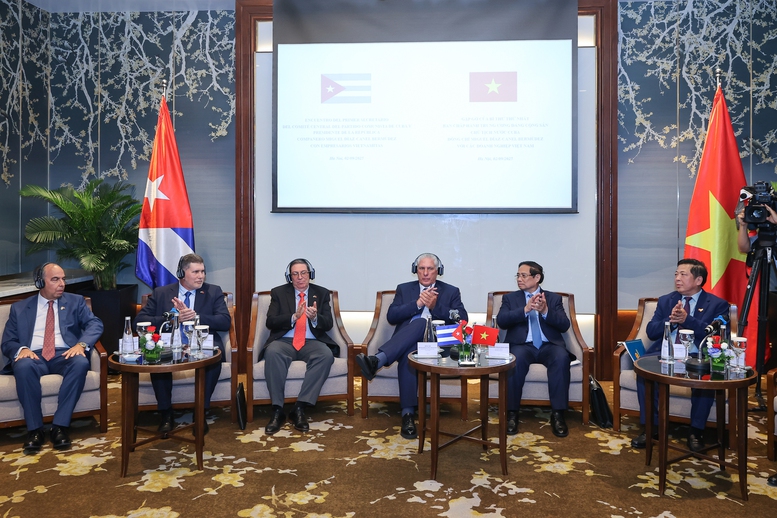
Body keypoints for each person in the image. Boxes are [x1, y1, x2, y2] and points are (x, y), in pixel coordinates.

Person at [356, 253, 467, 439]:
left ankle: (378, 360)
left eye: (430, 269)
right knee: (409, 355)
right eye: (421, 268)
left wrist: (435, 307)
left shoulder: (451, 291)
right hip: (408, 342)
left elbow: (462, 318)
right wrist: (417, 304)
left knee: (422, 323)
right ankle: (408, 415)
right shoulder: (404, 289)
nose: (425, 273)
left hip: (438, 344)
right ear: (416, 270)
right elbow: (392, 316)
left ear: (438, 271)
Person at [1, 263, 103, 454]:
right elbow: (8, 342)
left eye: (63, 279)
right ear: (40, 282)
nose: (62, 284)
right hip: (34, 355)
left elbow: (95, 324)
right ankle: (35, 430)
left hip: (64, 353)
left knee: (80, 362)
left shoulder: (76, 301)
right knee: (22, 366)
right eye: (55, 279)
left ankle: (60, 427)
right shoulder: (20, 308)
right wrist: (22, 349)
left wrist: (81, 344)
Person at [631, 258, 730, 452]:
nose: (677, 278)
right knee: (644, 372)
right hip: (665, 352)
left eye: (683, 274)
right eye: (676, 274)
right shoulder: (666, 300)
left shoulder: (717, 304)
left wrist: (687, 319)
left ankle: (696, 432)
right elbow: (651, 332)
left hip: (696, 354)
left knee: (706, 376)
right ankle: (652, 428)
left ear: (698, 280)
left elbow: (714, 335)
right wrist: (671, 321)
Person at [136, 253, 230, 436]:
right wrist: (173, 318)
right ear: (181, 273)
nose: (201, 276)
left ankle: (200, 413)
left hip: (201, 344)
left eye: (203, 271)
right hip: (170, 344)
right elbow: (139, 321)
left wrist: (195, 316)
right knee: (159, 360)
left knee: (214, 359)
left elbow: (225, 321)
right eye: (196, 272)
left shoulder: (213, 291)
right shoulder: (161, 293)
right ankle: (166, 414)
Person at [262, 258, 337, 435]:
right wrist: (293, 317)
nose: (300, 277)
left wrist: (315, 318)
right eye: (295, 274)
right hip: (285, 341)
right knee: (272, 352)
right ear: (290, 277)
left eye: (303, 273)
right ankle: (277, 410)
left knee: (326, 355)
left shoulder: (322, 293)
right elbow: (270, 321)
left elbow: (328, 324)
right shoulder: (279, 293)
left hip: (311, 341)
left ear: (310, 274)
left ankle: (300, 407)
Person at [496, 261, 571, 437]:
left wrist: (545, 311)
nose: (519, 279)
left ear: (537, 278)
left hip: (549, 345)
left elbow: (564, 325)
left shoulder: (553, 298)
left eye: (523, 275)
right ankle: (512, 413)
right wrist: (525, 309)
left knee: (561, 358)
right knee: (514, 360)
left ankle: (558, 414)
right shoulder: (510, 298)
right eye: (518, 275)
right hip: (522, 345)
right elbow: (502, 321)